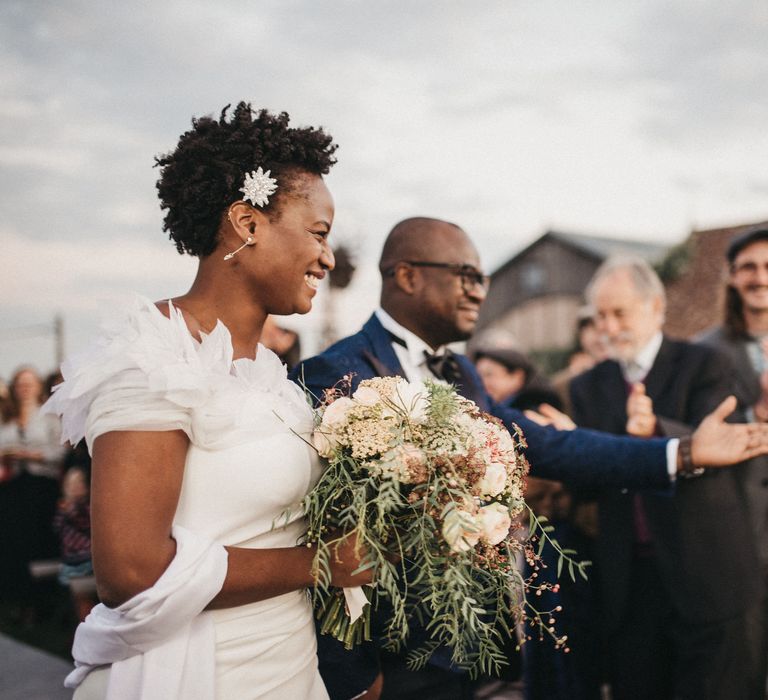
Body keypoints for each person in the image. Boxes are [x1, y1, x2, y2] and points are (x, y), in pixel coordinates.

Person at [292, 216, 768, 700]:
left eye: (483, 279)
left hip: (458, 644)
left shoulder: (461, 374)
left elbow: (553, 445)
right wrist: (349, 674)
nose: (480, 291)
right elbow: (316, 532)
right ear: (409, 276)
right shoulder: (333, 372)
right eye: (467, 276)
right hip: (383, 655)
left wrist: (681, 452)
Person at [44, 103, 370, 700]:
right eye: (318, 234)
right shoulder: (151, 358)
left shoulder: (269, 372)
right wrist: (321, 564)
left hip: (289, 664)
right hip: (200, 673)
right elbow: (131, 573)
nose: (327, 257)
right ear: (248, 222)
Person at [569, 257, 760, 700]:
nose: (608, 327)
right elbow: (586, 486)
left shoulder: (706, 364)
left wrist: (657, 433)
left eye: (619, 313)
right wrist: (567, 449)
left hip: (708, 572)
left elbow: (719, 445)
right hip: (629, 581)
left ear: (655, 307)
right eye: (599, 316)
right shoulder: (588, 386)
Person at [698, 225, 768, 699]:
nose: (760, 276)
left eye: (767, 266)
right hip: (739, 534)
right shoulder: (704, 351)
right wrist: (756, 414)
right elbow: (695, 432)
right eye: (748, 267)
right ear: (731, 277)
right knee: (741, 669)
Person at [0, 366, 64, 615]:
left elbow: (59, 452)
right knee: (14, 539)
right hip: (12, 485)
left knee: (40, 538)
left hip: (41, 486)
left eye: (29, 383)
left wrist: (29, 455)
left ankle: (42, 598)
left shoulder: (49, 416)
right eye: (20, 384)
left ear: (38, 386)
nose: (24, 388)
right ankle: (17, 594)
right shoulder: (6, 417)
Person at [474, 347, 563, 412]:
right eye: (478, 376)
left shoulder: (537, 409)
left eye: (489, 374)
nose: (482, 382)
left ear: (517, 376)